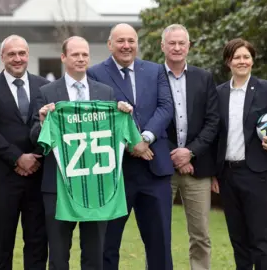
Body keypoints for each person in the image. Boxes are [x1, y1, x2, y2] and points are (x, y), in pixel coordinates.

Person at [30, 36, 134, 270]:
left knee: (94, 255)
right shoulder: (46, 92)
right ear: (64, 57)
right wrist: (42, 121)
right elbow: (34, 136)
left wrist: (123, 113)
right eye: (75, 54)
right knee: (58, 256)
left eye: (85, 54)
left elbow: (120, 134)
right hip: (58, 187)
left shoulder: (105, 93)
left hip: (96, 185)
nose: (80, 59)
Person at [87, 23, 175, 270]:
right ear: (110, 44)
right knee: (108, 244)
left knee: (159, 244)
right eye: (120, 41)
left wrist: (144, 138)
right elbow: (99, 114)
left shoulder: (155, 70)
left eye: (131, 40)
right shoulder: (95, 74)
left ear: (137, 43)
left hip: (154, 169)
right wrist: (129, 143)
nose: (126, 46)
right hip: (115, 173)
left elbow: (166, 107)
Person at [214, 38, 267, 270]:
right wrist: (212, 174)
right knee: (238, 241)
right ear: (228, 61)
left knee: (259, 240)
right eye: (237, 57)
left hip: (256, 174)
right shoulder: (218, 93)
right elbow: (213, 134)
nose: (242, 61)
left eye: (246, 57)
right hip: (227, 176)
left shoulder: (266, 89)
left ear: (252, 60)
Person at [0, 35, 49, 270]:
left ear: (28, 55)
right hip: (3, 178)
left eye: (22, 53)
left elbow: (50, 126)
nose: (17, 59)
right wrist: (17, 158)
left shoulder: (43, 87)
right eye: (11, 54)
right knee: (2, 244)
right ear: (2, 57)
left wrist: (34, 157)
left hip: (39, 177)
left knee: (37, 244)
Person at [161, 24, 220, 270]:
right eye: (172, 43)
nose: (177, 48)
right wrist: (175, 154)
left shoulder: (204, 78)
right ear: (162, 46)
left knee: (201, 235)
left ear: (188, 46)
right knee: (158, 232)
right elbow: (149, 119)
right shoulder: (152, 76)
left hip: (198, 168)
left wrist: (190, 153)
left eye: (181, 43)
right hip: (162, 167)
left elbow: (213, 120)